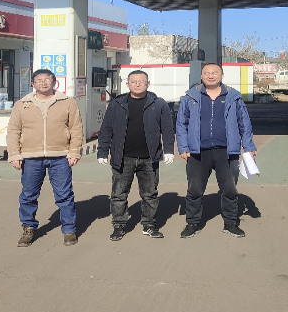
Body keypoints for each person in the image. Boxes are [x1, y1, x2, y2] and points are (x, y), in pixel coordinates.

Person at [176, 62, 256, 238]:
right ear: (201, 75)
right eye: (207, 73)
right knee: (194, 190)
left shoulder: (234, 97)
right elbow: (181, 123)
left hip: (227, 151)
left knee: (230, 189)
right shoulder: (191, 97)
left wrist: (249, 146)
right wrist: (183, 146)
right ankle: (192, 223)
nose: (210, 75)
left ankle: (230, 223)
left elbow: (244, 123)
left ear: (222, 75)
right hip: (198, 152)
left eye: (214, 73)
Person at [7, 68, 83, 247]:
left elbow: (76, 128)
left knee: (64, 195)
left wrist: (74, 151)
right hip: (31, 157)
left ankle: (69, 230)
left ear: (54, 82)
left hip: (60, 156)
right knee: (28, 195)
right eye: (39, 80)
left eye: (47, 79)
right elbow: (13, 130)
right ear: (33, 84)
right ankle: (28, 228)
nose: (43, 82)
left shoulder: (67, 102)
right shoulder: (22, 104)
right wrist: (14, 154)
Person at [97, 70, 175, 240]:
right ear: (128, 84)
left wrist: (168, 149)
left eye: (141, 81)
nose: (138, 84)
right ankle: (119, 225)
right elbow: (106, 129)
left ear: (148, 83)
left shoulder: (158, 104)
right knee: (119, 194)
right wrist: (102, 151)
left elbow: (168, 129)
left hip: (149, 158)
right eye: (134, 81)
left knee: (149, 194)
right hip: (122, 157)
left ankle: (149, 225)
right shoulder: (117, 104)